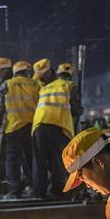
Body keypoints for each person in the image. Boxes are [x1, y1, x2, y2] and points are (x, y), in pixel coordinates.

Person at [31, 63, 77, 198]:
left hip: (39, 125)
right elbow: (75, 109)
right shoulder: (68, 85)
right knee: (57, 159)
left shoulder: (43, 88)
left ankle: (39, 192)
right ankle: (58, 190)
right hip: (58, 125)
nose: (41, 79)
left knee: (39, 161)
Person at [0, 61, 38, 199]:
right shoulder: (35, 84)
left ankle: (14, 190)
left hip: (13, 126)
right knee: (31, 158)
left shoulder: (7, 85)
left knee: (12, 159)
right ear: (27, 72)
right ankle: (34, 186)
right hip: (32, 126)